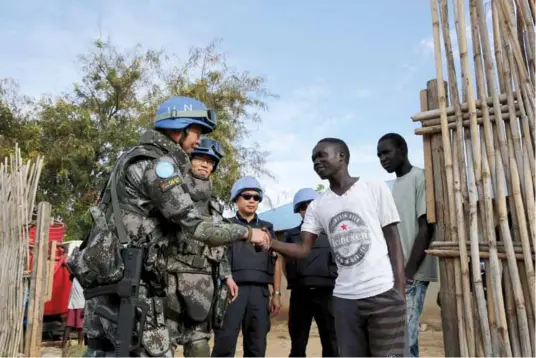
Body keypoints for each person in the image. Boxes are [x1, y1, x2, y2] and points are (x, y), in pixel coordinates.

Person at [68, 96, 271, 358]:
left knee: (102, 349)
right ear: (179, 126)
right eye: (196, 131)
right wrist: (247, 232)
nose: (198, 140)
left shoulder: (129, 158)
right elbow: (195, 225)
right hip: (133, 278)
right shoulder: (159, 165)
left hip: (111, 274)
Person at [269, 137, 407, 357]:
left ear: (341, 156)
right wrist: (271, 242)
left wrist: (400, 291)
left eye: (321, 155)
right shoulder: (318, 206)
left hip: (382, 293)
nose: (316, 162)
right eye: (313, 158)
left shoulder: (372, 187)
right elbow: (303, 249)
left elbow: (393, 239)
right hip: (344, 300)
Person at [165, 138, 239, 357]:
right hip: (169, 278)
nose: (205, 165)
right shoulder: (171, 192)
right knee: (161, 344)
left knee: (199, 344)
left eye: (210, 161)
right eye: (200, 159)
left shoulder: (215, 203)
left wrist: (227, 276)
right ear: (189, 160)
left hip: (203, 281)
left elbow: (219, 242)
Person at [377, 133, 437, 357]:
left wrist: (408, 272)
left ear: (403, 149)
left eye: (386, 152)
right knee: (407, 340)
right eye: (379, 155)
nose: (383, 159)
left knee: (401, 340)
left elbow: (426, 227)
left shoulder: (420, 177)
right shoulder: (394, 186)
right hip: (399, 274)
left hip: (413, 272)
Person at [211, 176, 282, 357]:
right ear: (236, 199)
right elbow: (216, 258)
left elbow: (276, 262)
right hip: (231, 292)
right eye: (247, 196)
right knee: (224, 344)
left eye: (256, 197)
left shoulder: (268, 228)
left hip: (259, 294)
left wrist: (276, 294)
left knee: (257, 347)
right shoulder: (225, 226)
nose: (252, 200)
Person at [282, 188, 339, 357]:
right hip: (300, 294)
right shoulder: (291, 234)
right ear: (298, 211)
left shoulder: (333, 232)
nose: (307, 210)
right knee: (298, 344)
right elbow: (285, 263)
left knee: (332, 343)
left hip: (328, 294)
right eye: (303, 207)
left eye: (311, 205)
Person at [62, 277, 86, 348]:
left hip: (81, 304)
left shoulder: (85, 279)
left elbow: (88, 295)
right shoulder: (75, 278)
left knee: (80, 327)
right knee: (68, 325)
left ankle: (79, 346)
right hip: (72, 304)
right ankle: (63, 345)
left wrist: (85, 308)